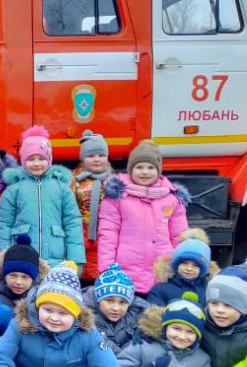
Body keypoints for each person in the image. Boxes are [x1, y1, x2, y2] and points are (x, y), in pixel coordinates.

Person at [97, 139, 189, 294]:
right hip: (127, 269)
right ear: (130, 169)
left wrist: (183, 263)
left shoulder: (172, 198)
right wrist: (107, 267)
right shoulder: (117, 197)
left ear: (158, 170)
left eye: (150, 167)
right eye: (139, 167)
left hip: (162, 269)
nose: (145, 172)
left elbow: (179, 235)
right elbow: (108, 234)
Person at [0, 125, 85, 267]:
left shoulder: (62, 189)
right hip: (22, 259)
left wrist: (76, 260)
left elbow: (72, 223)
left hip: (56, 260)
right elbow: (4, 224)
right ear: (23, 161)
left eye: (41, 158)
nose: (36, 164)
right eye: (31, 159)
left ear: (49, 159)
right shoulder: (14, 190)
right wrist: (3, 256)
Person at [69, 130, 114, 282]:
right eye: (91, 156)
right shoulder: (75, 182)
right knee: (83, 271)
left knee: (101, 271)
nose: (96, 159)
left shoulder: (114, 182)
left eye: (101, 155)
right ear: (83, 159)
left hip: (106, 236)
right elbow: (70, 211)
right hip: (82, 236)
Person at [84, 263, 147, 352]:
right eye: (109, 300)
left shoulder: (139, 313)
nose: (116, 308)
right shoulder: (84, 320)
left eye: (122, 302)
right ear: (98, 299)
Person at [147, 230, 216, 306]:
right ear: (176, 264)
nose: (189, 268)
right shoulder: (160, 290)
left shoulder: (209, 290)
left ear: (203, 269)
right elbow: (154, 310)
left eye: (196, 265)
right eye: (184, 263)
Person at [0, 234, 48, 309]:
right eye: (13, 275)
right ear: (4, 275)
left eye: (25, 277)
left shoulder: (41, 297)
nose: (18, 282)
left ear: (34, 278)